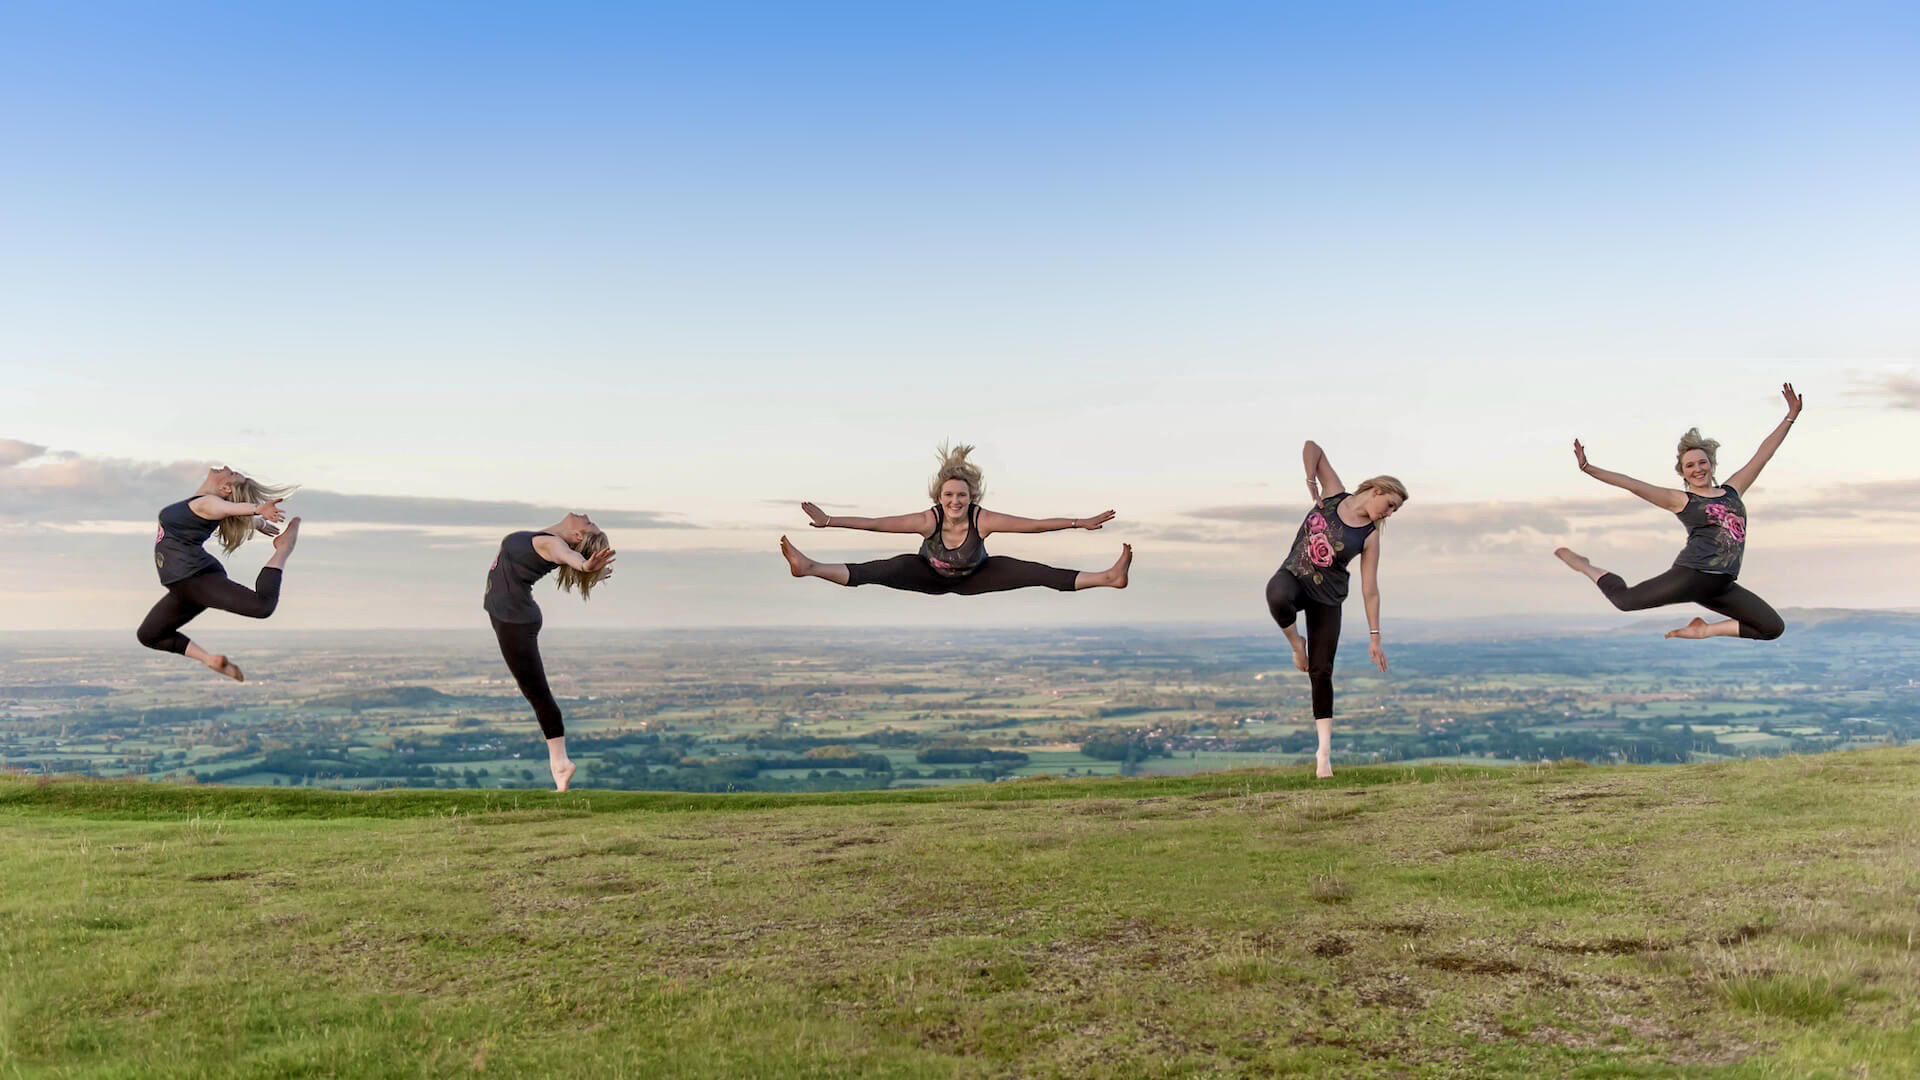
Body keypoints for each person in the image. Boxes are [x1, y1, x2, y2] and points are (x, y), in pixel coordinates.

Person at [1555, 383, 1799, 642]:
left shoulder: (1733, 490)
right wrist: (1589, 468)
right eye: (1690, 465)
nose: (1698, 469)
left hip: (1722, 584)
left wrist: (1791, 415)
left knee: (1772, 628)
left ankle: (1704, 629)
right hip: (1691, 575)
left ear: (1712, 465)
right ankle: (1585, 566)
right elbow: (1634, 485)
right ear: (1683, 472)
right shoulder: (1681, 500)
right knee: (1625, 601)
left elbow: (1763, 455)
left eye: (1702, 462)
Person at [779, 443, 1131, 594]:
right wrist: (829, 521)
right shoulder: (926, 520)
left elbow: (1034, 525)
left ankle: (1109, 577)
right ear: (939, 498)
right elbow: (875, 523)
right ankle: (809, 568)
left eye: (961, 495)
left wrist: (1078, 522)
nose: (955, 500)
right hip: (928, 576)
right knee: (885, 568)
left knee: (1034, 571)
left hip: (976, 577)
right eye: (948, 495)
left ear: (971, 497)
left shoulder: (984, 520)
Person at [1265, 441, 1406, 778]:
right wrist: (1310, 479)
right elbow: (1312, 446)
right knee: (1276, 593)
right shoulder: (1333, 494)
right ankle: (1296, 644)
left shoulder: (1370, 537)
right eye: (1389, 505)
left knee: (1322, 671)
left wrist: (1375, 637)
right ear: (1376, 490)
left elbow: (1370, 590)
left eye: (1394, 511)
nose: (1389, 513)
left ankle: (1324, 754)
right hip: (1295, 578)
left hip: (1327, 598)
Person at [136, 465, 298, 682]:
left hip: (196, 578)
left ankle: (283, 548)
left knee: (262, 606)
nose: (227, 467)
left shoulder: (207, 503)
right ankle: (211, 660)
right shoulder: (201, 503)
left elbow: (225, 509)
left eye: (231, 474)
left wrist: (257, 510)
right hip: (182, 586)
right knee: (149, 635)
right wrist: (256, 521)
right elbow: (225, 512)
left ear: (226, 488)